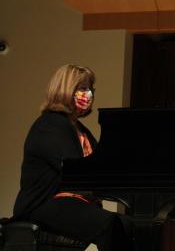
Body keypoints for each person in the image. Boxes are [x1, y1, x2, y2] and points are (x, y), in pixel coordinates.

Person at [12, 64, 133, 251]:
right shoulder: (50, 124)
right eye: (82, 88)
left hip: (70, 202)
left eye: (90, 89)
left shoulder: (80, 129)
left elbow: (101, 163)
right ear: (65, 89)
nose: (89, 95)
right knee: (111, 225)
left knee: (127, 224)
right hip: (44, 204)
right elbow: (75, 169)